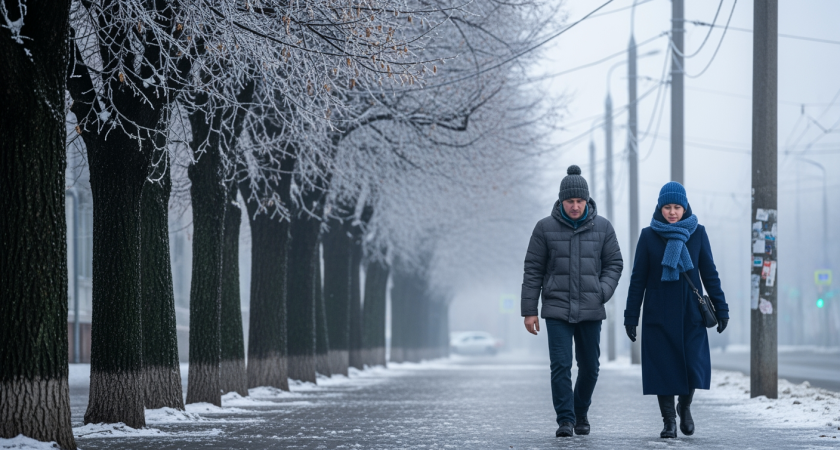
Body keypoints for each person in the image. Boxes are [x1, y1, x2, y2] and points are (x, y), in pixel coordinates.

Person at [521, 165, 623, 438]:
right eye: (570, 201)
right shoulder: (544, 228)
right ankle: (565, 420)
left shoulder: (603, 227)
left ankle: (580, 412)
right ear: (561, 201)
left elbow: (614, 263)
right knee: (561, 366)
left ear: (587, 200)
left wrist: (602, 291)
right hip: (556, 309)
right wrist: (529, 310)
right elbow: (533, 270)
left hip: (591, 307)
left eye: (579, 201)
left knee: (590, 367)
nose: (575, 206)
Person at [623, 181, 730, 439]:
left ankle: (685, 405)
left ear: (685, 208)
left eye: (677, 207)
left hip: (690, 312)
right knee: (663, 368)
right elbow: (638, 278)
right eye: (667, 207)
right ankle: (669, 420)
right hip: (658, 314)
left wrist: (722, 308)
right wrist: (631, 316)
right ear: (660, 208)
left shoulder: (698, 233)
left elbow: (710, 274)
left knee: (692, 364)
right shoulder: (649, 236)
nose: (672, 212)